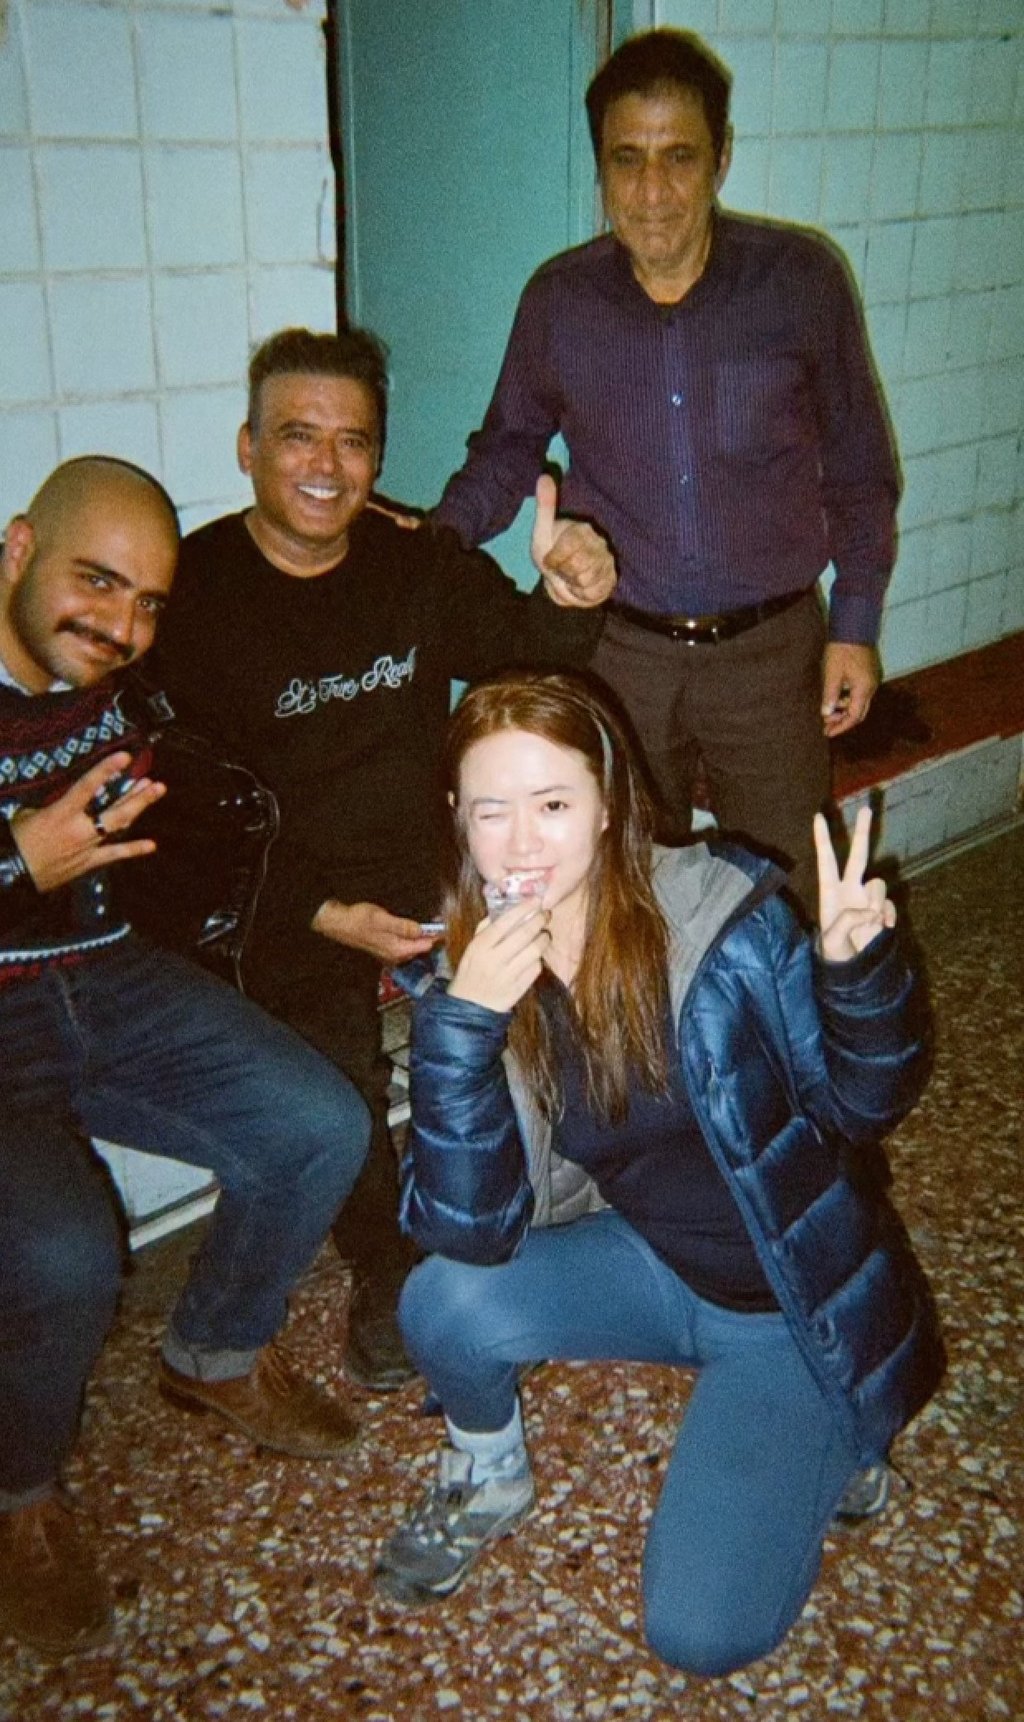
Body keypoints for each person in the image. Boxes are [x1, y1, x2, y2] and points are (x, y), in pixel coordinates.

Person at [374, 672, 944, 1676]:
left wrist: (855, 976)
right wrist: (460, 1033)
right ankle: (490, 1474)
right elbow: (470, 1230)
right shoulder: (471, 975)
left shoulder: (719, 923)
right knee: (440, 1301)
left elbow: (859, 1108)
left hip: (786, 1308)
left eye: (553, 805)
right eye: (491, 811)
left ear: (607, 807)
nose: (521, 844)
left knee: (699, 1633)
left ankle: (833, 1435)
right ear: (457, 818)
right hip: (650, 1263)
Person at [149, 326, 615, 1392]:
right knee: (337, 1088)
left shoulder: (413, 564)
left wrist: (567, 599)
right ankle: (386, 1267)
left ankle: (564, 1205)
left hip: (435, 865)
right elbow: (182, 822)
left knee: (566, 994)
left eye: (353, 441)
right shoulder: (193, 598)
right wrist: (319, 912)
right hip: (288, 898)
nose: (327, 465)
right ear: (248, 447)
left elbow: (525, 656)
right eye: (297, 436)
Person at [0, 458, 371, 1658]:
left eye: (147, 601)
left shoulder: (124, 684)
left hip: (106, 980)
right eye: (96, 582)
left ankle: (212, 1352)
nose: (121, 625)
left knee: (319, 1124)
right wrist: (18, 862)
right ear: (18, 549)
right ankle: (19, 1498)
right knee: (63, 1252)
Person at [434, 28, 901, 917]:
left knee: (790, 896)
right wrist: (432, 541)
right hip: (620, 658)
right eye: (628, 159)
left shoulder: (801, 283)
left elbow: (859, 466)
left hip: (769, 660)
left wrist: (856, 622)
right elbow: (507, 446)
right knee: (621, 896)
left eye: (679, 157)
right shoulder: (558, 302)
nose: (653, 192)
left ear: (721, 159)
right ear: (601, 169)